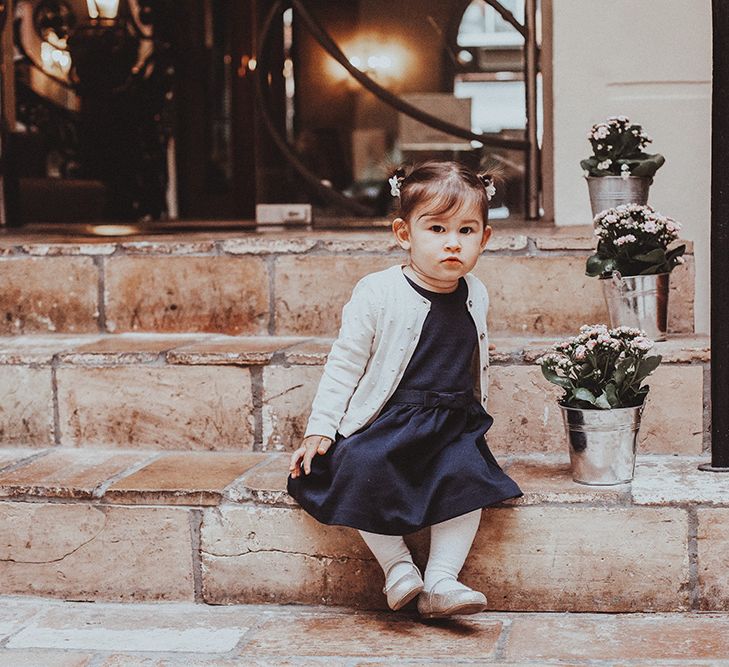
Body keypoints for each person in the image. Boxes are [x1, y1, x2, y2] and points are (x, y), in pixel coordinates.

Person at [286, 160, 522, 619]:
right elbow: (345, 362)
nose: (452, 242)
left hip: (453, 422)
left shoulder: (476, 292)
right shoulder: (378, 291)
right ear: (404, 233)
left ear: (485, 239)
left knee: (466, 480)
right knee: (356, 466)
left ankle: (441, 582)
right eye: (436, 228)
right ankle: (398, 567)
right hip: (391, 418)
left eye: (467, 230)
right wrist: (322, 428)